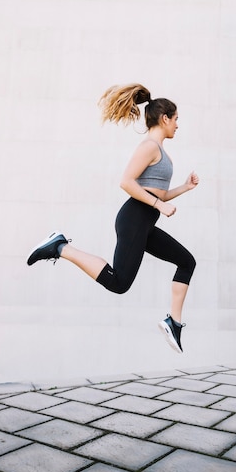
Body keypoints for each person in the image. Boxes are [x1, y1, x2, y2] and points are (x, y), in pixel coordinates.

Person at [26, 83, 198, 353]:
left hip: (144, 221)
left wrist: (184, 188)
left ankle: (174, 322)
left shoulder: (160, 151)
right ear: (165, 118)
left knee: (187, 261)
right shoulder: (149, 146)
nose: (178, 125)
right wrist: (157, 205)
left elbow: (159, 194)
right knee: (118, 283)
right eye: (176, 119)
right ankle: (60, 246)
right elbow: (126, 182)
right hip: (134, 218)